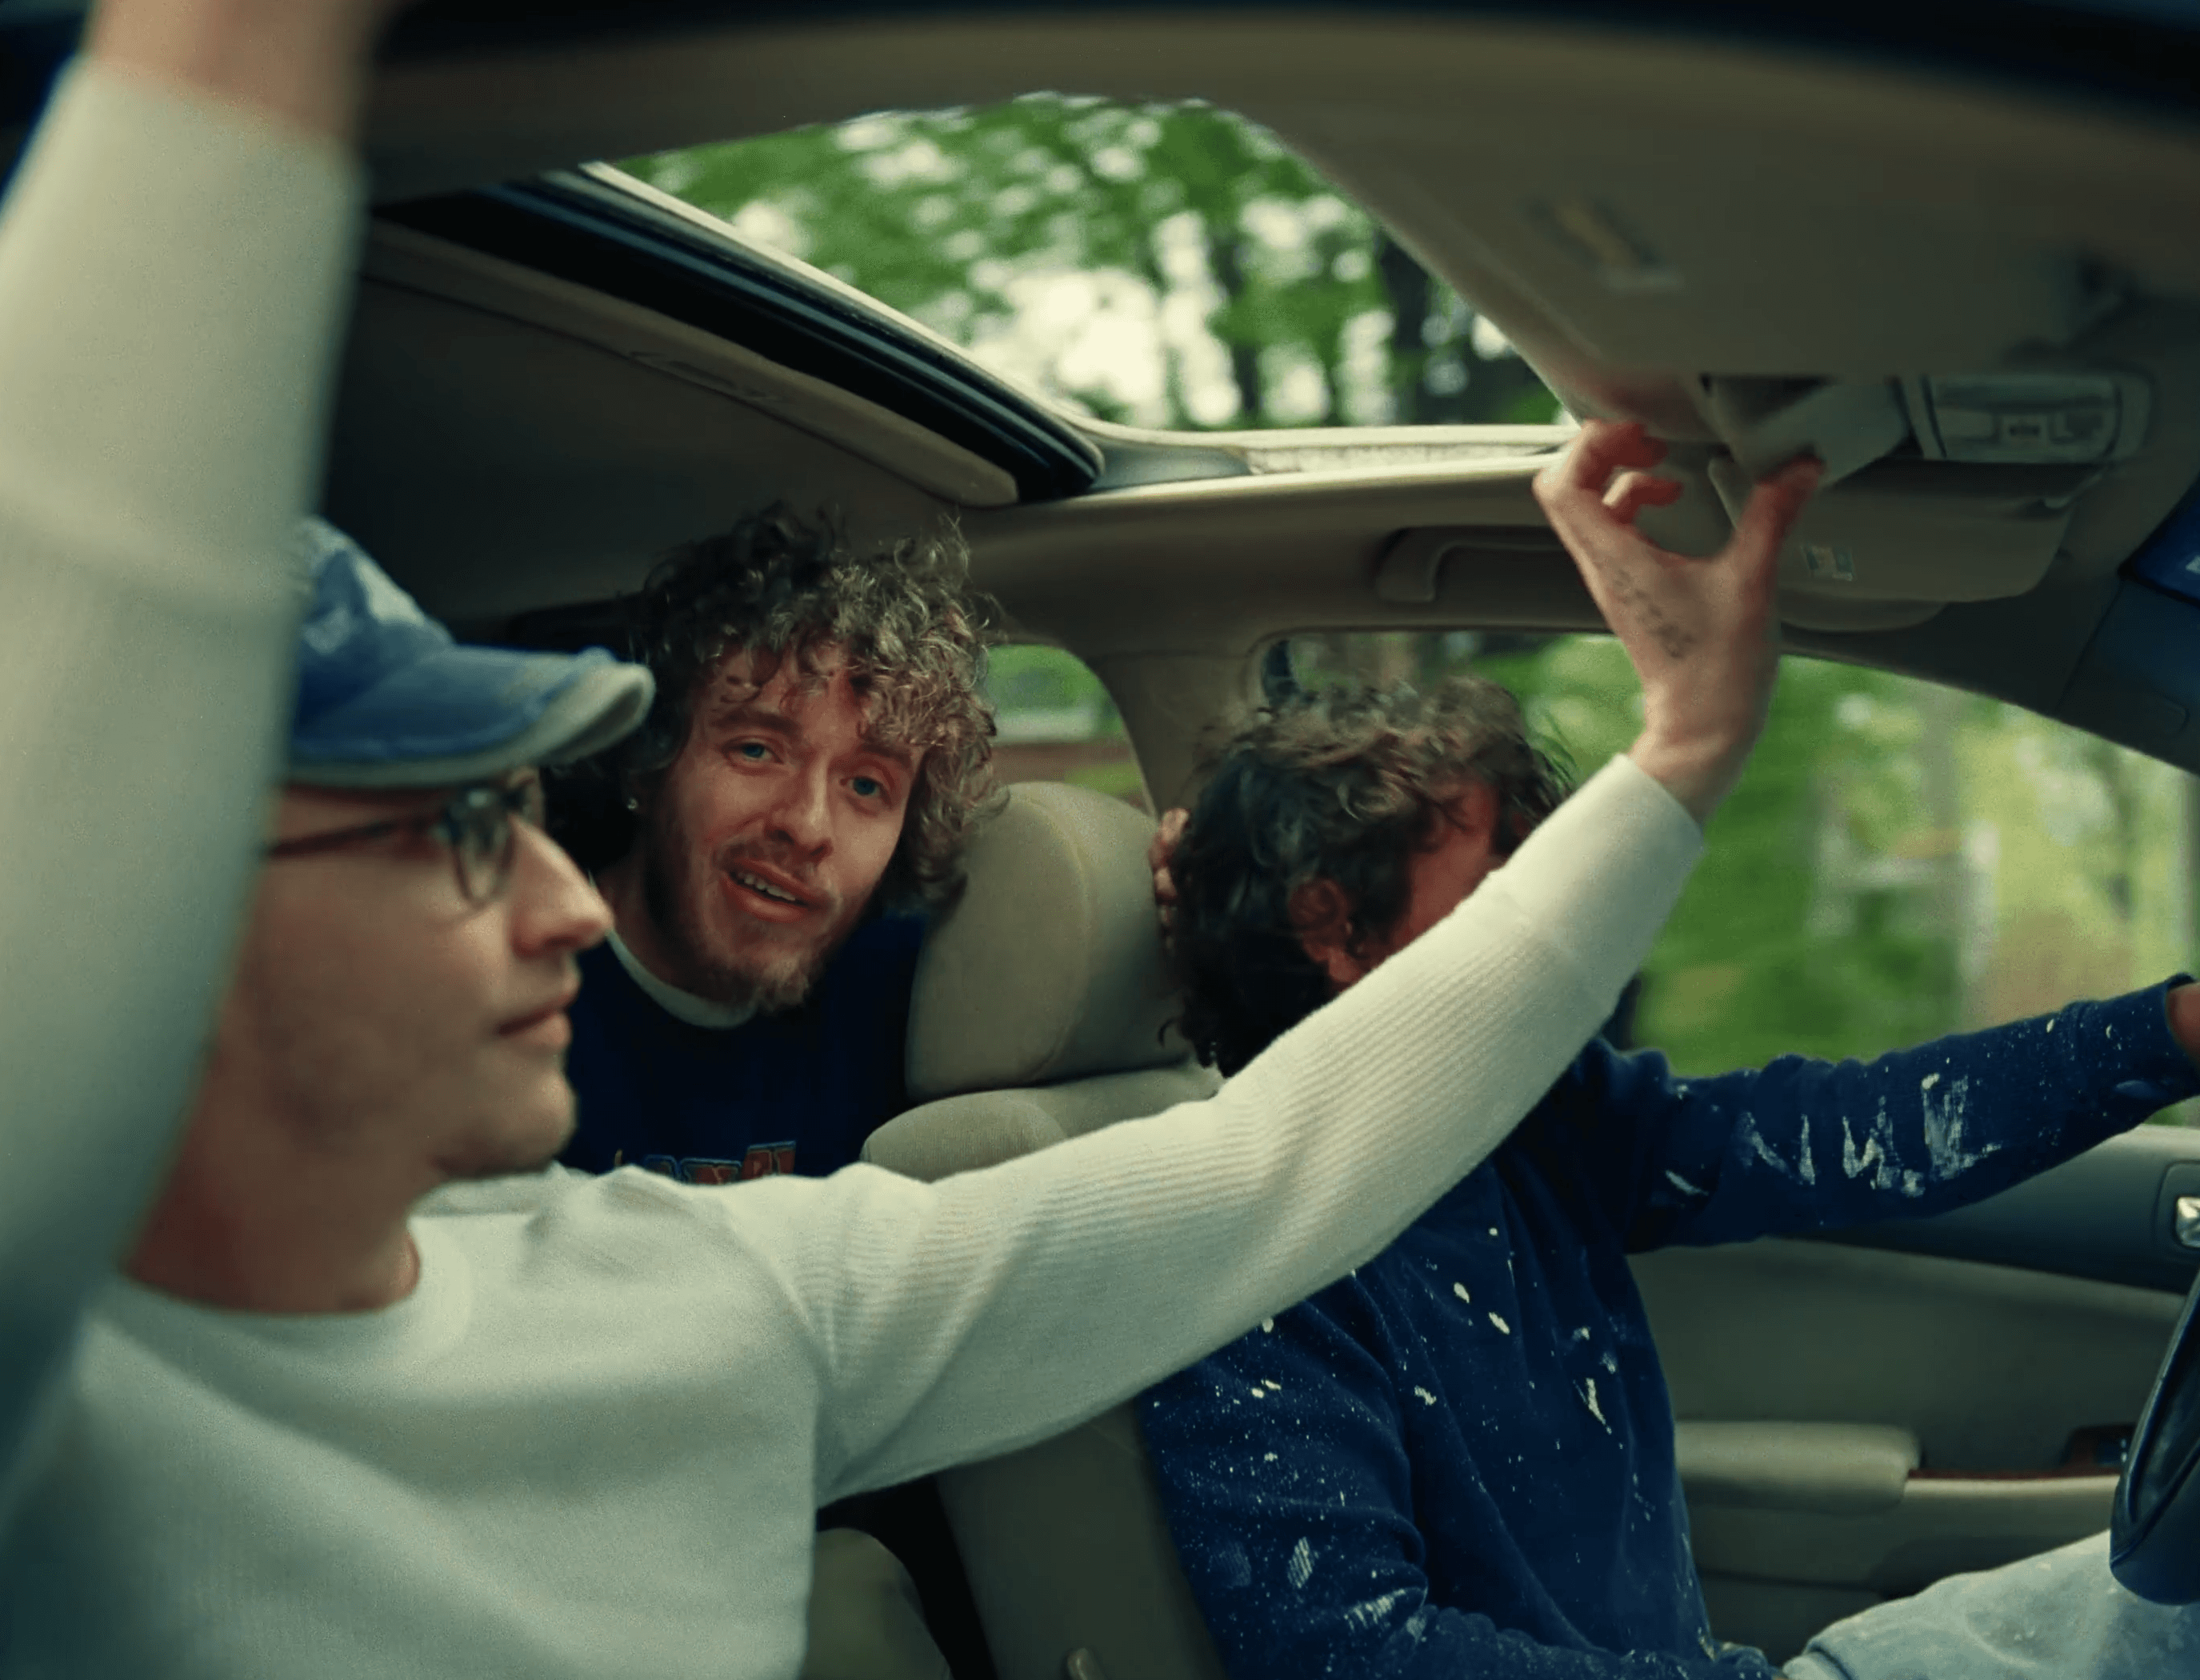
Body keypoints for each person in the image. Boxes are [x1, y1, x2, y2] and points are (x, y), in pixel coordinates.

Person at [0, 5, 1822, 1672]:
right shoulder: (66, 1401)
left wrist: (1681, 755)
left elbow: (1282, 1162)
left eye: (869, 784)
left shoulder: (728, 1294)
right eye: (449, 837)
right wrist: (233, 53)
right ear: (170, 919)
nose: (558, 900)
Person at [1135, 675, 2200, 1680]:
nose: (1563, 927)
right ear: (1330, 928)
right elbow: (1361, 1658)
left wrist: (2168, 1031)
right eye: (1500, 890)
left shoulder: (1531, 1127)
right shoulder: (1251, 1271)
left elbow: (1850, 1129)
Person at [548, 510, 993, 1186]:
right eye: (757, 750)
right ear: (648, 761)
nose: (808, 826)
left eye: (866, 786)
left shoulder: (907, 991)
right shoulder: (510, 983)